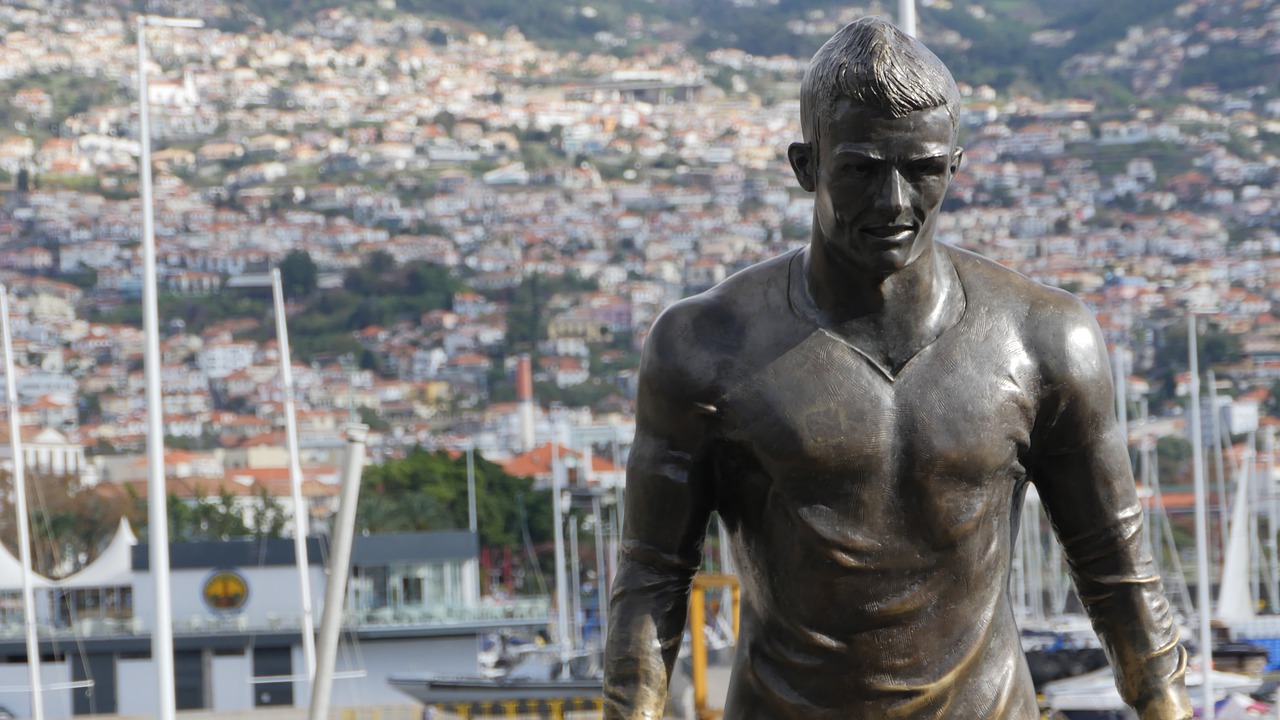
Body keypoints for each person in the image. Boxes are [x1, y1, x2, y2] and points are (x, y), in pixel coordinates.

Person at [602, 17, 1191, 720]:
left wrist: (1168, 708)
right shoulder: (707, 346)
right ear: (806, 166)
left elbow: (1117, 568)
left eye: (922, 170)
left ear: (955, 166)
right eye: (860, 169)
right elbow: (652, 576)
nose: (893, 203)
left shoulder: (1044, 339)